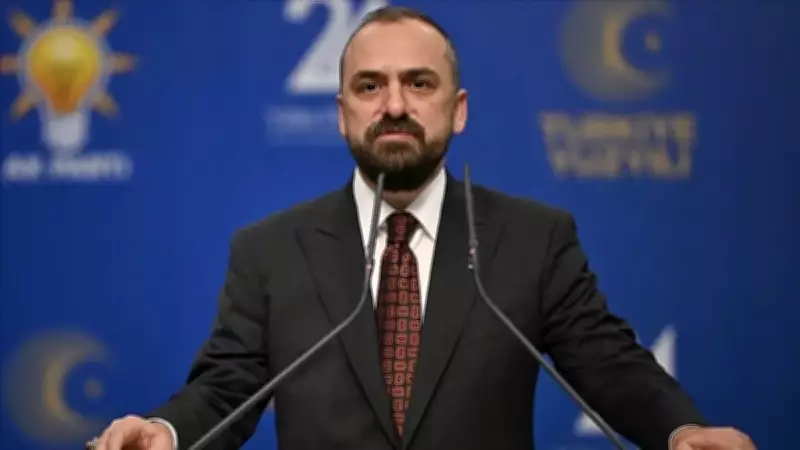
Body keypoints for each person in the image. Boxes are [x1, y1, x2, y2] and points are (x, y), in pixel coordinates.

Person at [91, 6, 756, 450]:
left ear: (457, 109)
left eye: (419, 83)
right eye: (370, 87)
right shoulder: (270, 250)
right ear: (342, 113)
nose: (395, 106)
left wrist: (679, 431)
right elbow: (226, 388)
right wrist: (165, 433)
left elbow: (606, 363)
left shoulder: (534, 239)